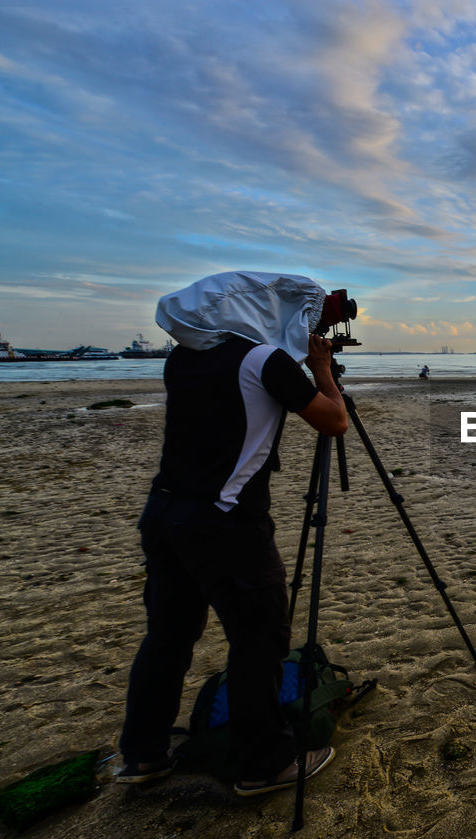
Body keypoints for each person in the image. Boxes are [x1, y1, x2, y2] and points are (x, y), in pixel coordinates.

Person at [117, 272, 348, 795]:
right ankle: (264, 763)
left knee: (168, 637)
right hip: (225, 520)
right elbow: (333, 421)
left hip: (166, 512)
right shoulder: (261, 360)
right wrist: (322, 371)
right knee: (259, 640)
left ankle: (142, 754)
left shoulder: (185, 357)